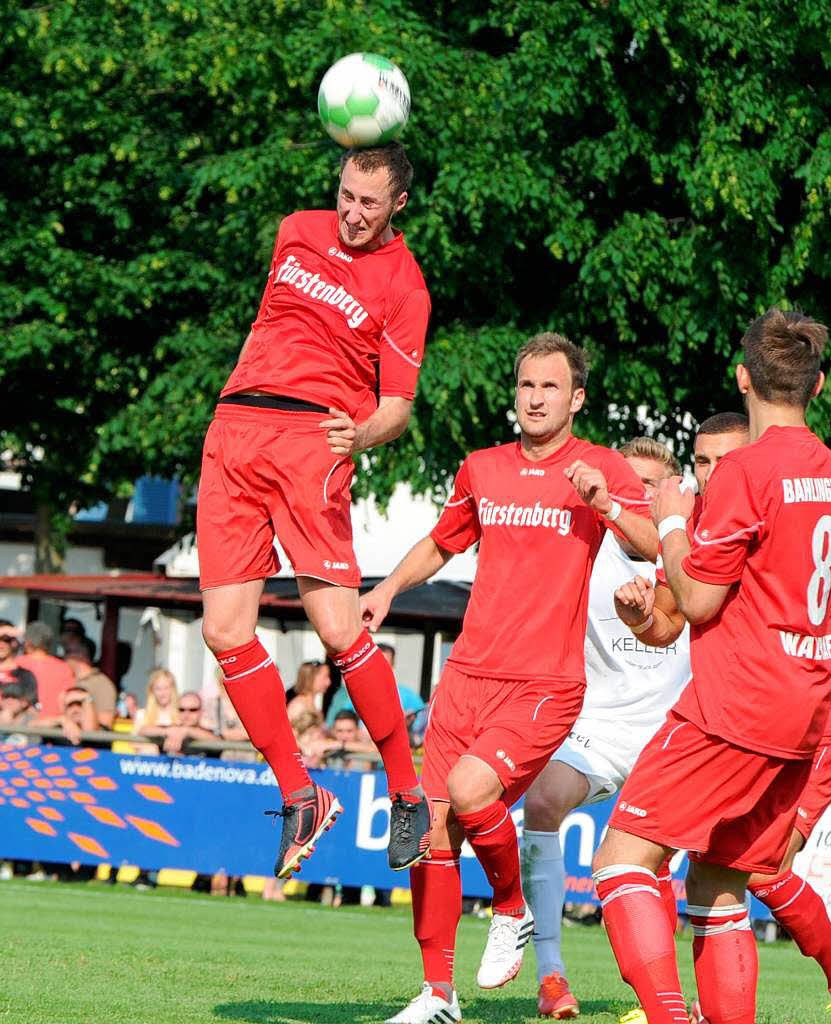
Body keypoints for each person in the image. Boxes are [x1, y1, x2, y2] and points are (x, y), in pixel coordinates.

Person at [363, 332, 658, 1024]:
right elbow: (443, 540)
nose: (534, 398)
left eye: (549, 387)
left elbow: (654, 545)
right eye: (526, 386)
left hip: (542, 683)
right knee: (432, 827)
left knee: (471, 792)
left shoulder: (599, 466)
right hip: (466, 675)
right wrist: (385, 590)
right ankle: (438, 994)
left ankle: (510, 909)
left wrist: (607, 505)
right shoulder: (481, 468)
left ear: (576, 398)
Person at [591, 308, 831, 1024]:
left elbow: (698, 599)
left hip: (732, 705)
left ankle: (665, 1015)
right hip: (800, 715)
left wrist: (674, 518)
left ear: (743, 376)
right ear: (818, 382)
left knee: (622, 861)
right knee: (717, 885)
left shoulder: (744, 471)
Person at [196, 141, 432, 878]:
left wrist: (358, 434)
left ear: (398, 204)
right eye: (344, 195)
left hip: (310, 441)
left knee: (337, 626)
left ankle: (406, 791)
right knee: (222, 629)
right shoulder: (295, 228)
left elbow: (396, 407)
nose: (351, 213)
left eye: (368, 203)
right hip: (234, 428)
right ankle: (301, 795)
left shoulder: (406, 286)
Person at [520, 437, 688, 1021]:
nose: (634, 494)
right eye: (625, 481)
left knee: (651, 864)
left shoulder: (689, 551)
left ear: (666, 492)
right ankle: (551, 978)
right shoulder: (586, 549)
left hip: (672, 732)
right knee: (541, 803)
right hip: (598, 728)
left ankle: (661, 1001)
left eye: (648, 485)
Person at [17, 621, 73, 716]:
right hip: (53, 724)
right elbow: (67, 699)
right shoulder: (64, 667)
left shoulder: (18, 663)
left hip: (23, 722)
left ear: (28, 642)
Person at [62, 637, 117, 729]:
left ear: (81, 655)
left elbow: (106, 720)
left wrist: (81, 712)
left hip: (90, 740)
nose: (64, 657)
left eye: (68, 652)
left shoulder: (102, 684)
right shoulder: (68, 679)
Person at [0, 623, 38, 706]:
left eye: (6, 640)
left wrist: (19, 633)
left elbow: (30, 704)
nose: (1, 645)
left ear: (14, 643)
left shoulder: (25, 675)